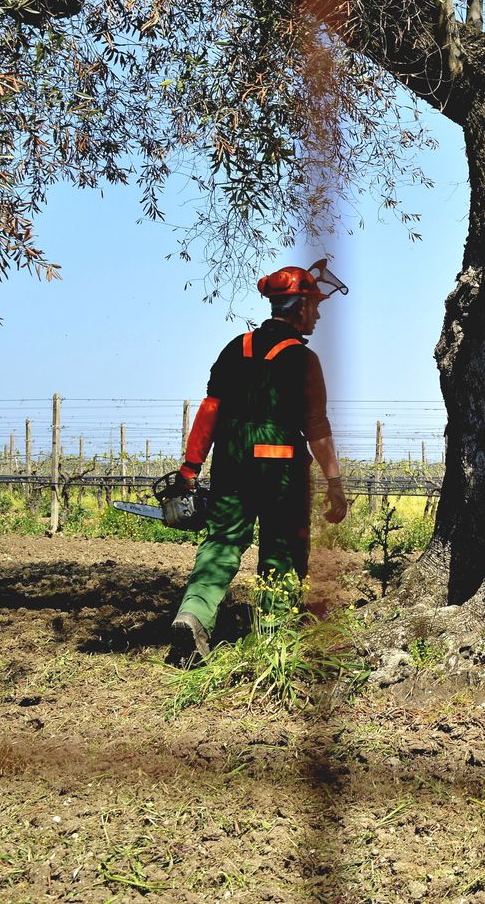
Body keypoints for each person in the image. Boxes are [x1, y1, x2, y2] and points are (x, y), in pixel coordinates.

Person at [167, 260, 352, 666]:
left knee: (221, 543)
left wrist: (189, 470)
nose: (319, 314)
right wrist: (334, 482)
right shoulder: (304, 361)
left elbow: (210, 410)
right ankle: (272, 639)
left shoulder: (236, 349)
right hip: (281, 469)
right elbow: (317, 428)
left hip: (231, 465)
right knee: (282, 551)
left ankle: (193, 614)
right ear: (298, 307)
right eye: (315, 306)